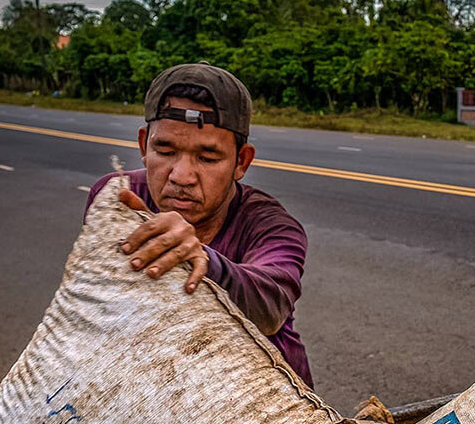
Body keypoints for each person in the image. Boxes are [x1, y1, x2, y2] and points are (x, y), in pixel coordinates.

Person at [85, 63, 314, 386]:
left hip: (257, 395)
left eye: (207, 159)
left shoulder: (273, 226)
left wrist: (201, 260)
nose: (181, 177)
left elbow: (270, 305)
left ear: (241, 162)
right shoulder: (116, 197)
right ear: (143, 146)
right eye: (164, 150)